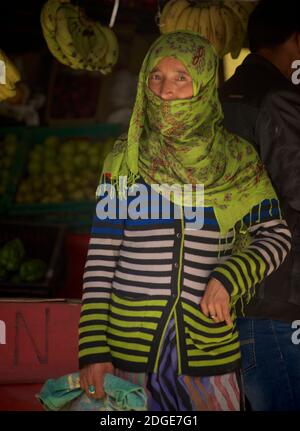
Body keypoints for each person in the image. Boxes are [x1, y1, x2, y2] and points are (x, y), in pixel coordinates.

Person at [78, 30, 291, 411]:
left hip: (208, 360)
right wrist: (93, 350)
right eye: (156, 76)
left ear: (204, 83)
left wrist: (229, 278)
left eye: (181, 77)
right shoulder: (123, 160)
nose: (166, 90)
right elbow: (101, 258)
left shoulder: (235, 160)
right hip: (128, 359)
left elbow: (274, 235)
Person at [219, 0, 300, 411]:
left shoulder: (221, 96)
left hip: (235, 294)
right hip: (279, 300)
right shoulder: (277, 98)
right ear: (295, 40)